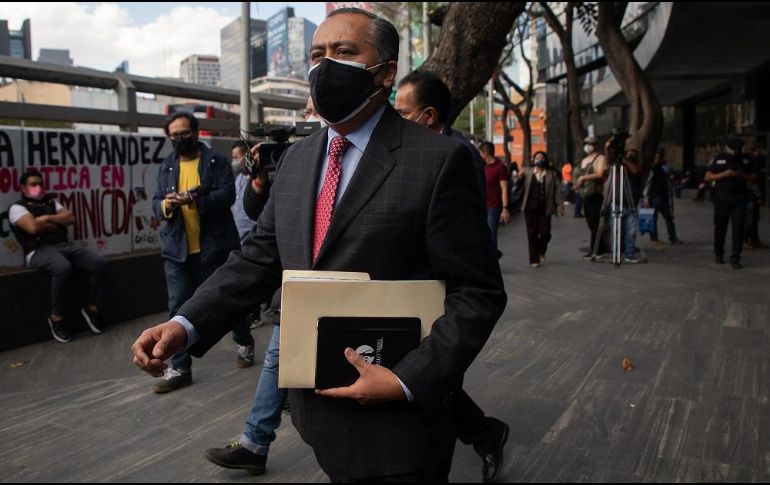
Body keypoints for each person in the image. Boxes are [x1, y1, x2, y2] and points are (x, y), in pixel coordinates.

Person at [132, 7, 506, 483]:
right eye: (317, 54)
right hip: (320, 417)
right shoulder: (297, 161)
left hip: (402, 427)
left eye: (344, 51)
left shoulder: (438, 161)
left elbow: (478, 293)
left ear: (385, 72)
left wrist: (407, 379)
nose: (325, 66)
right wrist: (185, 324)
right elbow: (257, 259)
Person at [394, 69, 510, 482]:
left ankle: (483, 435)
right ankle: (486, 433)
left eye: (402, 111)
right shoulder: (413, 151)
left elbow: (462, 242)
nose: (394, 118)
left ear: (427, 117)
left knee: (435, 375)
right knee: (432, 376)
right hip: (415, 287)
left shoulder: (456, 157)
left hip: (446, 291)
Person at [150, 111, 253, 394]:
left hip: (214, 247)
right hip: (177, 250)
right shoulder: (167, 166)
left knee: (229, 301)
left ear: (196, 133)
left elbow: (227, 196)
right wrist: (168, 205)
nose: (180, 139)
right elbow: (156, 201)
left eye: (184, 133)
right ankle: (181, 368)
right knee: (177, 308)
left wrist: (194, 197)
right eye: (174, 135)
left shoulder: (216, 161)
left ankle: (244, 341)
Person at [8, 169, 106, 343]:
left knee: (98, 262)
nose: (38, 187)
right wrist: (53, 220)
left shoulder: (52, 202)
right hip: (38, 250)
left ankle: (92, 309)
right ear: (23, 188)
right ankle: (56, 318)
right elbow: (32, 228)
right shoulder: (17, 207)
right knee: (62, 267)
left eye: (40, 184)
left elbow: (70, 218)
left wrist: (44, 219)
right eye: (33, 184)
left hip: (65, 246)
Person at [705, 138, 756, 268]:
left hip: (739, 199)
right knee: (720, 227)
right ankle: (719, 253)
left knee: (738, 228)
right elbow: (708, 176)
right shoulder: (719, 158)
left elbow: (754, 177)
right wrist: (724, 174)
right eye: (733, 149)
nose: (735, 152)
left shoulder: (746, 159)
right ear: (727, 148)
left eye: (737, 149)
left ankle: (736, 257)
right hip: (722, 199)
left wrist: (742, 175)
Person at [520, 152, 563, 267]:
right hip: (529, 207)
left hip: (545, 207)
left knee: (545, 233)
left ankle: (541, 250)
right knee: (532, 234)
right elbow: (518, 184)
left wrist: (560, 205)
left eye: (541, 158)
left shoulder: (551, 174)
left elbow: (558, 190)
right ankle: (534, 259)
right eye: (537, 158)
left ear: (546, 160)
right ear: (533, 160)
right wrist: (519, 177)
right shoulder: (527, 172)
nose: (539, 160)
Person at [574, 135, 607, 258]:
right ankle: (596, 248)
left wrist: (583, 178)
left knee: (595, 222)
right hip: (585, 194)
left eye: (590, 144)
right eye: (586, 144)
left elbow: (600, 173)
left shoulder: (600, 158)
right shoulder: (584, 160)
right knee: (590, 222)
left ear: (595, 145)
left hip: (595, 193)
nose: (587, 146)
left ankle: (597, 249)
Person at [611, 145, 643, 263]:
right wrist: (608, 146)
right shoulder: (619, 167)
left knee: (631, 231)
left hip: (631, 203)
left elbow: (634, 169)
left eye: (631, 154)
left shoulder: (636, 167)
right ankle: (615, 253)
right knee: (616, 231)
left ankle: (630, 254)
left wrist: (624, 159)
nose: (629, 156)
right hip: (618, 202)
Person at [643, 149, 682, 246]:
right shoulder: (653, 170)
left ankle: (671, 237)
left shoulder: (661, 168)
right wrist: (646, 199)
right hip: (655, 196)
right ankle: (655, 237)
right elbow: (647, 185)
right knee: (655, 218)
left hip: (662, 196)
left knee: (668, 217)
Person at [479, 141, 510, 259]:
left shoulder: (500, 167)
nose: (479, 155)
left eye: (480, 152)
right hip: (481, 205)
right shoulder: (481, 166)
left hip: (494, 206)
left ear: (485, 152)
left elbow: (504, 188)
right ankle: (493, 255)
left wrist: (505, 208)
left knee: (491, 233)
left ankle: (492, 260)